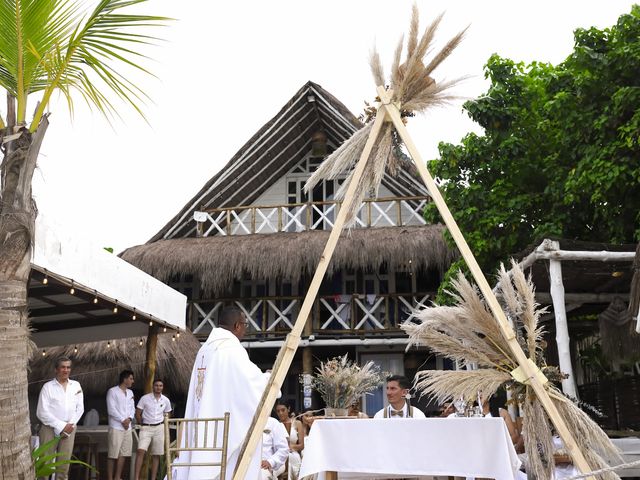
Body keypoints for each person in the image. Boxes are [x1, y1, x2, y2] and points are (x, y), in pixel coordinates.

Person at [175, 306, 273, 480]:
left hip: (203, 422)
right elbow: (250, 385)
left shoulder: (204, 349)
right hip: (220, 429)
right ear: (237, 326)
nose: (245, 329)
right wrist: (270, 379)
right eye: (245, 325)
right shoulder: (231, 350)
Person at [36, 356, 84, 480]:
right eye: (63, 367)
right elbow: (41, 412)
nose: (66, 370)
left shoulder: (76, 385)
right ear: (56, 369)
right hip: (49, 429)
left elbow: (80, 408)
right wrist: (62, 426)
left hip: (70, 429)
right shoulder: (48, 387)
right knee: (45, 464)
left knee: (64, 465)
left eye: (68, 367)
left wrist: (70, 425)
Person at [134, 379, 172, 480]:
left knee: (156, 454)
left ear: (162, 387)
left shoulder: (166, 400)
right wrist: (141, 423)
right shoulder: (144, 398)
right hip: (146, 427)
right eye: (156, 385)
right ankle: (136, 478)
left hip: (159, 427)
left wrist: (165, 426)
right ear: (153, 386)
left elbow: (168, 414)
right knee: (140, 451)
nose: (158, 387)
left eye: (160, 386)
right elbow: (138, 413)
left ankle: (153, 478)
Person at [106, 370, 135, 480]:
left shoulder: (131, 393)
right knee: (113, 454)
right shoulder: (112, 391)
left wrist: (130, 419)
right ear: (125, 379)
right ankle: (110, 478)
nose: (133, 381)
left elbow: (132, 408)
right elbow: (111, 410)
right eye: (131, 378)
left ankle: (117, 477)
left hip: (128, 427)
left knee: (124, 453)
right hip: (116, 427)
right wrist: (123, 420)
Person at [275, 400, 304, 480]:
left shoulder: (297, 423)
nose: (280, 413)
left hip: (293, 455)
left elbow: (301, 445)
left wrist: (290, 447)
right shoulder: (276, 424)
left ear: (288, 409)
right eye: (278, 411)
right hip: (280, 456)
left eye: (283, 410)